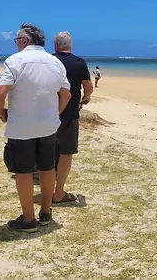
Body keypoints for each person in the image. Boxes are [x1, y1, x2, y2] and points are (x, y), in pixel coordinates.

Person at [0, 23, 71, 232]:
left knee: (23, 171)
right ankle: (45, 212)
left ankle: (28, 220)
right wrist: (55, 113)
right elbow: (66, 95)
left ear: (25, 41)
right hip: (48, 126)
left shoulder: (15, 61)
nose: (16, 44)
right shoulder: (55, 62)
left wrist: (1, 113)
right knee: (48, 168)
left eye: (17, 40)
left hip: (22, 127)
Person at [53, 32, 93, 203]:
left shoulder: (49, 60)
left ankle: (48, 190)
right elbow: (88, 87)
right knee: (66, 153)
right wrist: (86, 98)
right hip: (69, 114)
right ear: (70, 45)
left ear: (56, 46)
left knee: (47, 151)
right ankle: (58, 192)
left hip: (48, 112)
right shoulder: (79, 62)